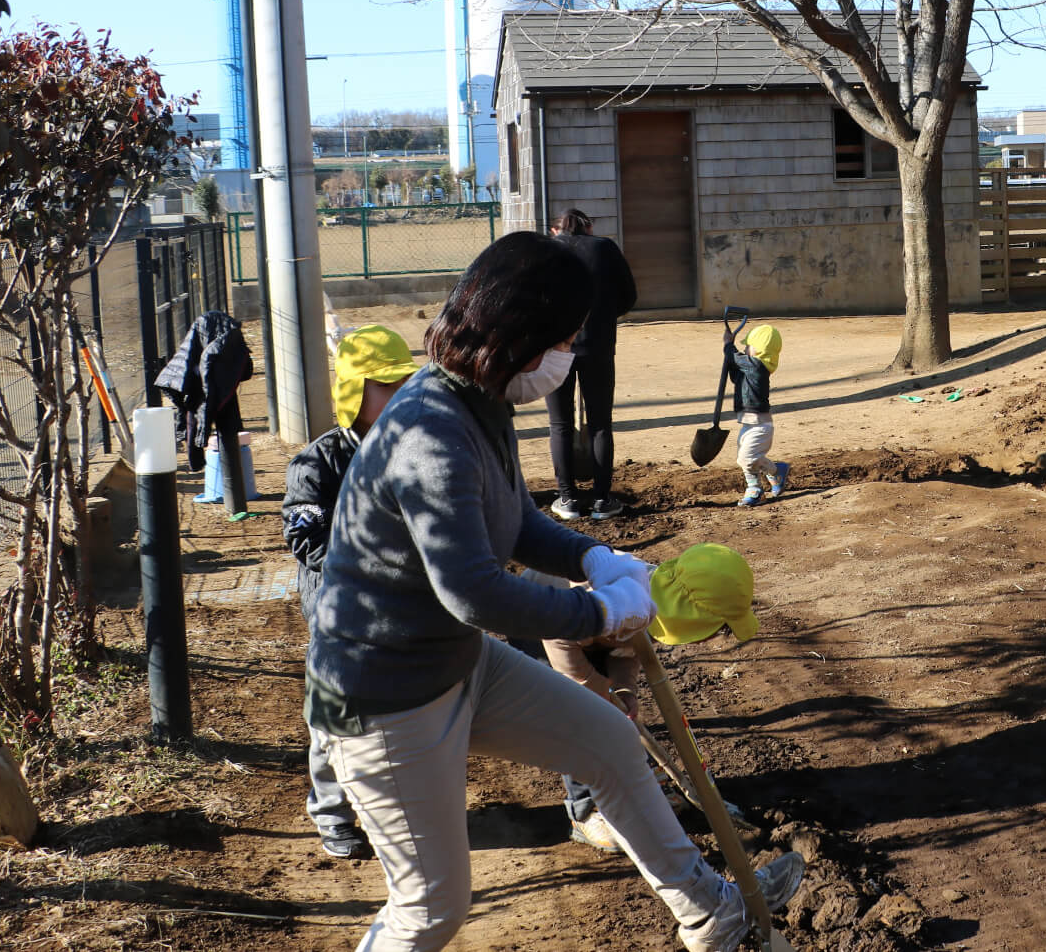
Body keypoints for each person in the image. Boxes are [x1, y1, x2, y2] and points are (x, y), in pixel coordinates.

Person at [306, 233, 801, 952]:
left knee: (608, 740)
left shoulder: (479, 400)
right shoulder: (429, 431)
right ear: (524, 338)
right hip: (385, 697)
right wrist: (596, 609)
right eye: (568, 337)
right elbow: (472, 589)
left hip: (455, 664)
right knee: (432, 905)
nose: (573, 352)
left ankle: (710, 911)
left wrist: (593, 553)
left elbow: (512, 518)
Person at [281, 324, 422, 861]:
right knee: (336, 713)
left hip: (404, 606)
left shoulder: (411, 449)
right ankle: (333, 811)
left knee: (408, 704)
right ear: (352, 391)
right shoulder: (317, 463)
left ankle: (400, 802)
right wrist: (368, 567)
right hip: (337, 611)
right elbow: (304, 537)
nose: (400, 394)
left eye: (405, 381)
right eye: (385, 384)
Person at [538, 543, 762, 852]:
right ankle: (585, 810)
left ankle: (638, 777)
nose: (716, 635)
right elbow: (556, 635)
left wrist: (623, 688)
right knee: (576, 718)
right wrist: (593, 685)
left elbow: (627, 648)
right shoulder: (617, 597)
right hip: (538, 622)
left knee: (613, 710)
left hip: (587, 638)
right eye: (718, 627)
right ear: (692, 614)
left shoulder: (651, 601)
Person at [545, 209, 638, 521]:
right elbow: (628, 296)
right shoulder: (604, 248)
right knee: (600, 424)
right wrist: (604, 316)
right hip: (597, 346)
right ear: (588, 227)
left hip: (555, 347)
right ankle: (602, 501)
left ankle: (567, 499)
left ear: (556, 230)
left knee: (559, 424)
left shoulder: (546, 251)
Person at [728, 324, 789, 507]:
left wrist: (728, 345)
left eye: (748, 346)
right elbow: (735, 373)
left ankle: (755, 490)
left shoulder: (757, 367)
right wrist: (729, 360)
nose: (745, 349)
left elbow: (734, 357)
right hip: (749, 424)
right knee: (746, 458)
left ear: (760, 349)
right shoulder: (751, 368)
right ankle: (776, 471)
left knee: (746, 458)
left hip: (761, 426)